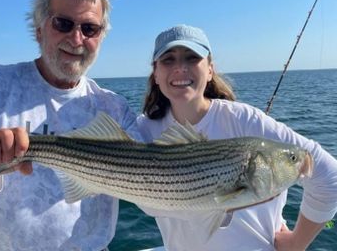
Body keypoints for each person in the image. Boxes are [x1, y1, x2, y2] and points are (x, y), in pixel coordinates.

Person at [0, 0, 140, 251]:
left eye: (90, 28)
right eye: (63, 24)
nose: (77, 38)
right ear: (39, 29)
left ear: (101, 37)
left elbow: (156, 183)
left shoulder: (114, 108)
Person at [137, 24, 337, 251]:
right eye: (168, 59)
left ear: (210, 70)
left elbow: (330, 175)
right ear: (155, 73)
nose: (180, 67)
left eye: (192, 58)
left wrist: (295, 243)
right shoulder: (143, 129)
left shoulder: (246, 120)